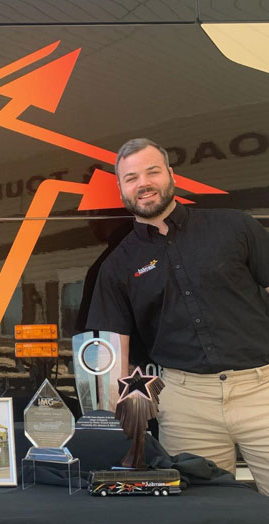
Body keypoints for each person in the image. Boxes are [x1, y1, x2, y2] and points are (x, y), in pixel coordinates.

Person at [87, 137, 269, 495]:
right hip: (185, 405)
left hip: (262, 391)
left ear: (171, 175)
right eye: (131, 177)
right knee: (204, 514)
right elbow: (113, 354)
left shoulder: (236, 227)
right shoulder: (117, 266)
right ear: (121, 188)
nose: (144, 184)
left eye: (152, 171)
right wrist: (116, 422)